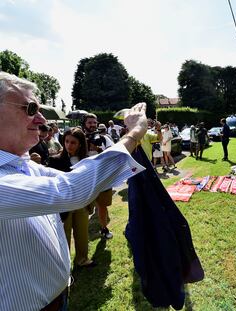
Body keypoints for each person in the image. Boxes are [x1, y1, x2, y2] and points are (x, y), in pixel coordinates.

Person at [0, 72, 147, 311]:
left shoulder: (23, 166)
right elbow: (70, 190)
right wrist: (133, 134)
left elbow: (75, 181)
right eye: (30, 108)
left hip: (59, 299)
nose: (41, 120)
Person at [48, 128, 95, 268]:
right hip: (63, 205)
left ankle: (82, 259)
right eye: (67, 141)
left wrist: (90, 202)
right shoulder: (55, 160)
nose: (69, 145)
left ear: (80, 144)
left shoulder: (87, 161)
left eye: (73, 142)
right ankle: (65, 266)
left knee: (82, 234)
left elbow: (90, 182)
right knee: (64, 236)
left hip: (81, 203)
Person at [82, 114, 115, 239]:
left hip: (102, 177)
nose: (92, 125)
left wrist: (98, 149)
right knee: (83, 207)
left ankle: (104, 228)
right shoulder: (80, 138)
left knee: (102, 205)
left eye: (94, 122)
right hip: (85, 178)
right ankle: (81, 231)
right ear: (84, 124)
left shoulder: (104, 138)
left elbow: (113, 154)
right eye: (90, 122)